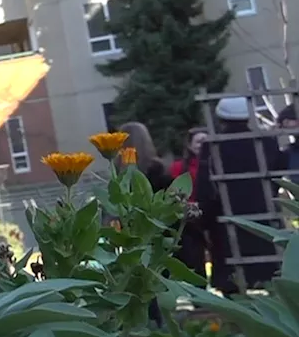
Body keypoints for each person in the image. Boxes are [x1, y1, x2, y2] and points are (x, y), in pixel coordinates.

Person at [195, 97, 281, 294]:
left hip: (227, 222)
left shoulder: (214, 145)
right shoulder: (266, 141)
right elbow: (276, 176)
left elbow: (205, 188)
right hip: (262, 220)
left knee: (235, 287)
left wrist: (204, 221)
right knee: (269, 283)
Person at [117, 122, 174, 324]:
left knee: (136, 288)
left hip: (131, 239)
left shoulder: (120, 175)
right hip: (158, 238)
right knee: (158, 286)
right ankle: (162, 326)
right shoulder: (159, 170)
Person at [170, 127, 209, 279]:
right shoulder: (179, 167)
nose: (202, 145)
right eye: (199, 141)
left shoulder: (217, 164)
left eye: (205, 141)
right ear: (190, 145)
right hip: (191, 219)